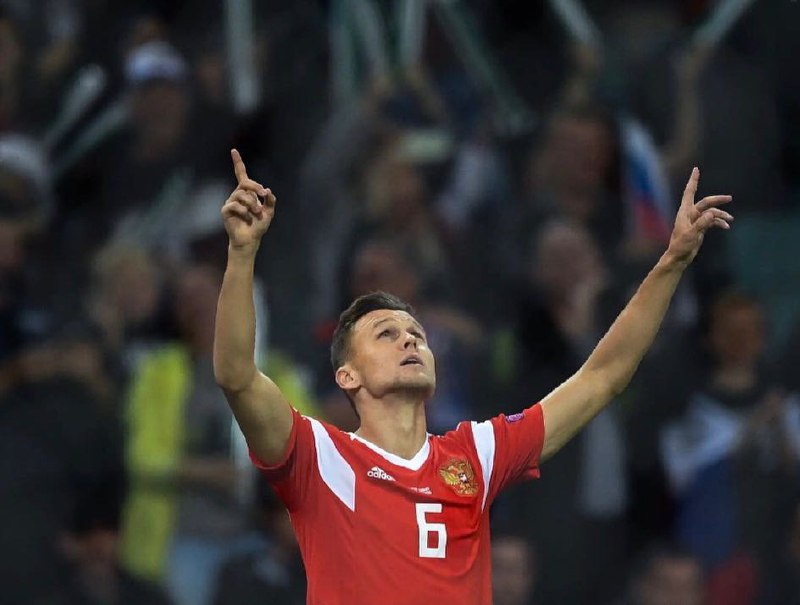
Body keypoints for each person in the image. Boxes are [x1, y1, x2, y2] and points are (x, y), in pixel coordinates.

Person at [213, 149, 733, 604]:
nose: (410, 341)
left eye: (416, 333)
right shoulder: (320, 458)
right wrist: (242, 253)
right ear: (347, 377)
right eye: (386, 334)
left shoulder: (475, 456)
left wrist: (670, 263)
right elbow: (237, 376)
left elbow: (603, 378)